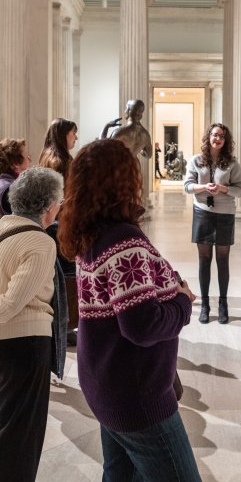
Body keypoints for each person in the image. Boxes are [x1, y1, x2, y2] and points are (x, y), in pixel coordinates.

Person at [57, 139, 202, 482]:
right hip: (137, 395)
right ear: (122, 180)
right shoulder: (123, 242)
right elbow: (142, 326)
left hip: (107, 383)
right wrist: (182, 302)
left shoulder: (92, 233)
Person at [0, 167, 65, 482]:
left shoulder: (2, 232)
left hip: (8, 346)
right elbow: (12, 302)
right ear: (49, 207)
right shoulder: (40, 243)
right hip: (25, 347)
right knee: (22, 439)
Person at [184, 123, 241, 324]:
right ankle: (205, 305)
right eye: (214, 134)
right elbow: (187, 186)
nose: (217, 138)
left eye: (221, 136)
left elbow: (240, 190)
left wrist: (223, 189)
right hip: (202, 213)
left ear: (225, 141)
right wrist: (203, 187)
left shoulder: (232, 163)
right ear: (208, 137)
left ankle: (223, 303)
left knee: (222, 260)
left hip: (225, 214)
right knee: (204, 259)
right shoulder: (196, 160)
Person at [38, 118, 79, 345]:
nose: (75, 138)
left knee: (59, 276)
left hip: (53, 222)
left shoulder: (47, 155)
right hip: (62, 224)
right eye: (73, 133)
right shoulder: (62, 161)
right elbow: (66, 197)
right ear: (64, 135)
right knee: (67, 277)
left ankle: (63, 325)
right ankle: (66, 325)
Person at [0, 138, 32, 218]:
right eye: (27, 156)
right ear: (15, 164)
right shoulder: (12, 189)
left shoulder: (4, 183)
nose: (30, 160)